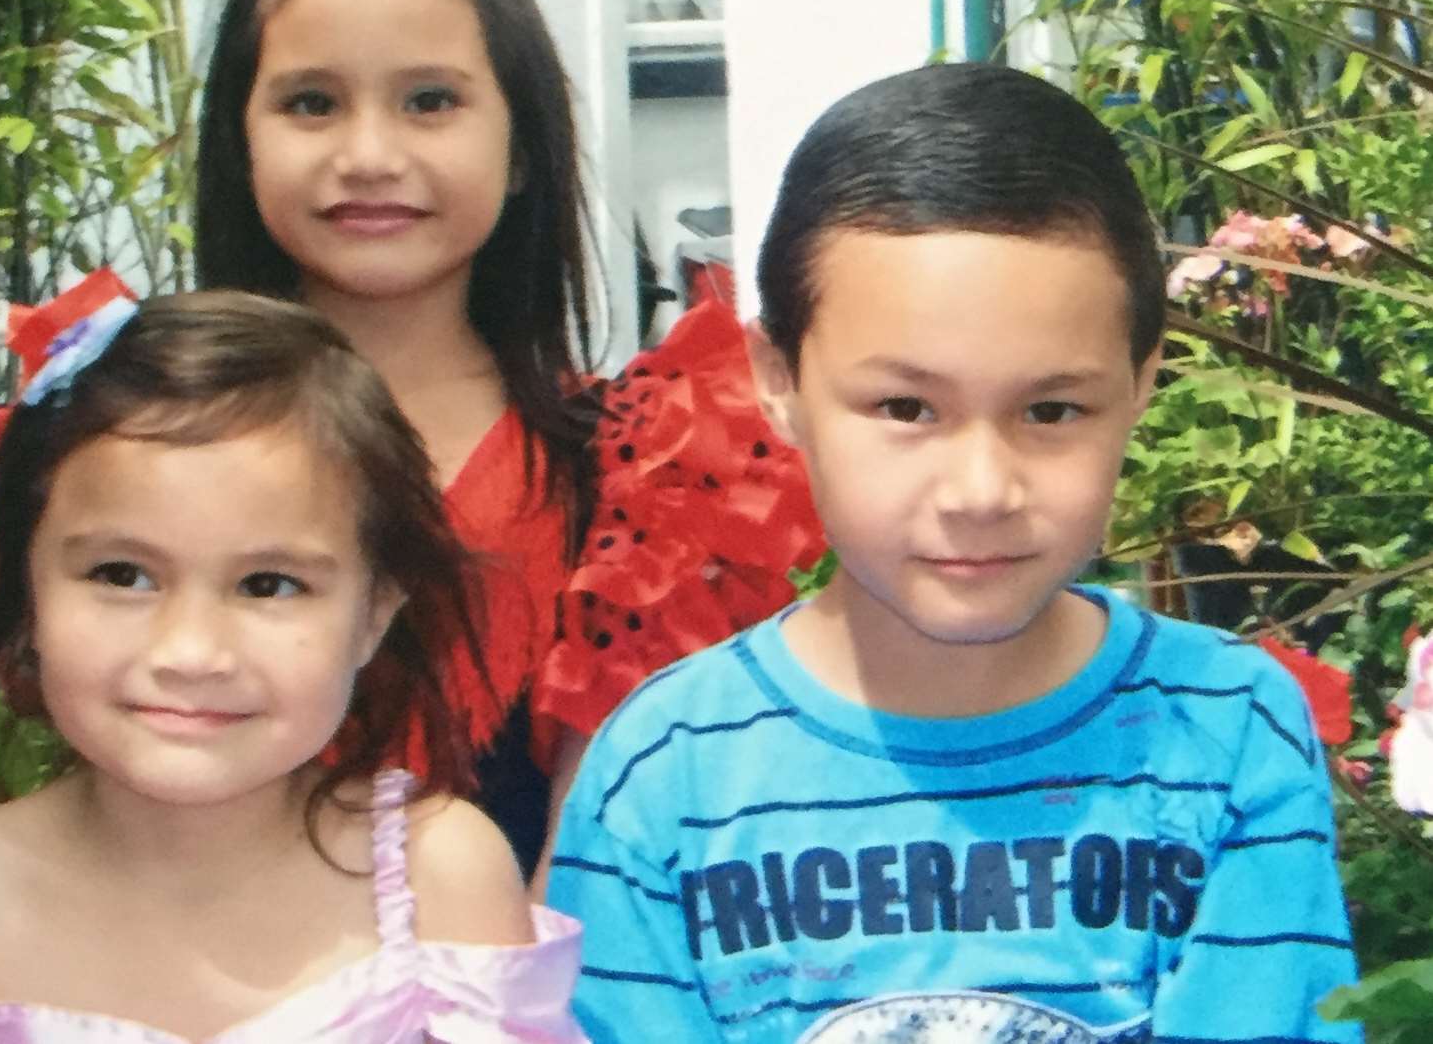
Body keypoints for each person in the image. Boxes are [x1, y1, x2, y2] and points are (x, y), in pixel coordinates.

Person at [545, 64, 1361, 1043]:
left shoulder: (1223, 731)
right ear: (776, 379)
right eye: (904, 408)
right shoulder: (663, 769)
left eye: (1049, 409)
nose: (980, 489)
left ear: (1139, 382)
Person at [0, 272, 587, 1043]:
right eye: (122, 574)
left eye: (268, 584)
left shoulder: (445, 880)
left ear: (374, 613)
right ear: (26, 591)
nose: (191, 651)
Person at [195, 0, 824, 875]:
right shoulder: (141, 442)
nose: (368, 155)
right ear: (240, 138)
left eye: (429, 100)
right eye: (310, 101)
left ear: (522, 141)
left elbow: (605, 866)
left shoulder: (644, 477)